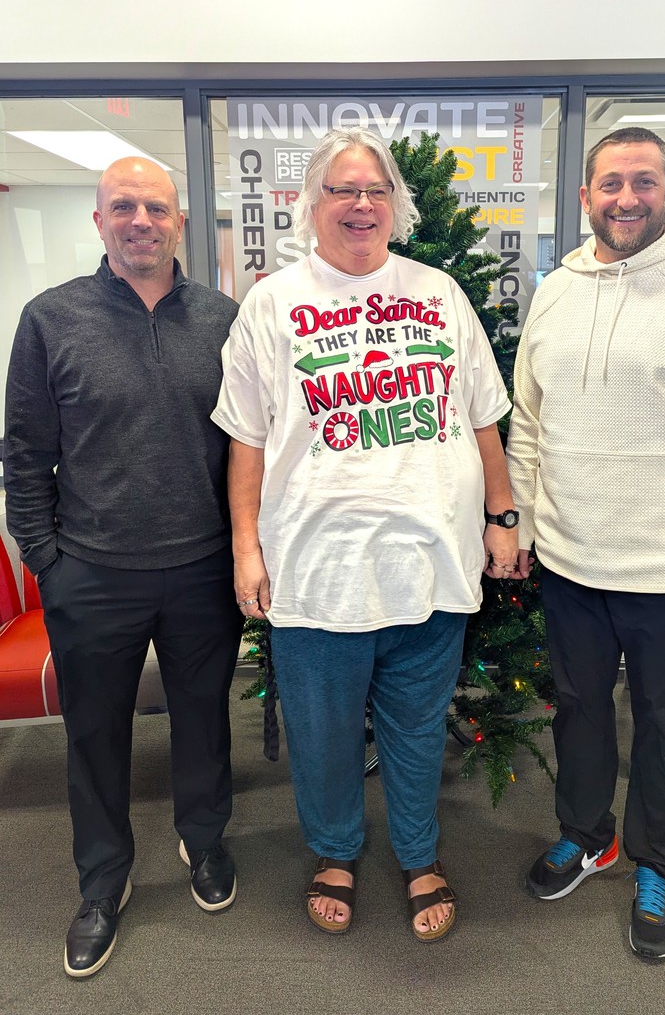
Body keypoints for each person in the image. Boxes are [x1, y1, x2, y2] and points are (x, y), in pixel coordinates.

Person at [212, 126, 519, 941]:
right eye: (343, 190)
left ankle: (421, 855)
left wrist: (501, 517)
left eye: (375, 191)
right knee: (321, 737)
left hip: (430, 566)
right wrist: (247, 547)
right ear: (313, 206)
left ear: (395, 207)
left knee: (419, 729)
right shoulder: (271, 304)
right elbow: (244, 438)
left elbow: (483, 419)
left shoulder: (438, 293)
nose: (360, 204)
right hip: (315, 573)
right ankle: (336, 852)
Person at [508, 127, 665, 959]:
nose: (627, 198)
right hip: (570, 558)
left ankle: (659, 863)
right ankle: (589, 836)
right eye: (611, 183)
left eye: (644, 182)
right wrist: (520, 523)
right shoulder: (555, 292)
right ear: (585, 197)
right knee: (579, 712)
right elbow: (530, 425)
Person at [3, 157, 244, 978]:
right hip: (93, 575)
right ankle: (103, 881)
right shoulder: (49, 319)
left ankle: (204, 842)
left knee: (205, 721)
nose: (141, 220)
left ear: (180, 221)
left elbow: (251, 446)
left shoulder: (224, 318)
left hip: (205, 569)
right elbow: (25, 455)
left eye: (157, 208)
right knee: (95, 737)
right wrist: (47, 563)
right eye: (123, 207)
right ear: (99, 221)